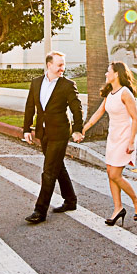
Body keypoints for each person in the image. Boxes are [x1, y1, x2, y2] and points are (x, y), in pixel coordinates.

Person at [80, 62, 137, 226]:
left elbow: (135, 118)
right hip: (113, 137)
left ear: (116, 74)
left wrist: (131, 142)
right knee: (110, 172)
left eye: (108, 71)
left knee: (115, 175)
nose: (105, 74)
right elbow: (99, 113)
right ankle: (118, 208)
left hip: (125, 138)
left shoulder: (125, 93)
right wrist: (84, 129)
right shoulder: (110, 93)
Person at [23, 51, 84, 224]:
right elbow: (30, 107)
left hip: (60, 133)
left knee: (49, 171)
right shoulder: (36, 83)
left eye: (63, 65)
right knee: (58, 167)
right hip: (43, 133)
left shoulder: (67, 85)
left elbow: (76, 108)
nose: (62, 68)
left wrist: (78, 129)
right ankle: (70, 200)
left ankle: (39, 211)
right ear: (49, 65)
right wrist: (26, 129)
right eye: (59, 65)